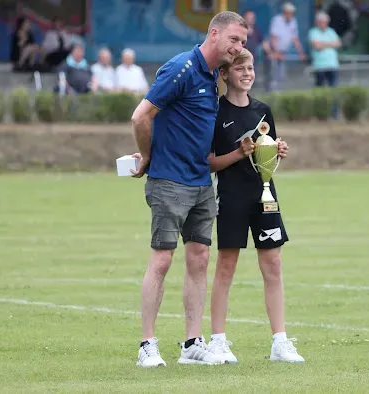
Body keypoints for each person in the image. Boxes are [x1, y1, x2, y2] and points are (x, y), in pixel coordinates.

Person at [129, 11, 248, 367]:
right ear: (214, 34)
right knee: (162, 259)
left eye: (243, 42)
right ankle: (147, 345)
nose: (239, 48)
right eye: (234, 40)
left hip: (200, 183)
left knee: (199, 259)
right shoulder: (181, 68)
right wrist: (148, 157)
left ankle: (192, 344)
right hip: (168, 181)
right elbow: (141, 115)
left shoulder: (213, 77)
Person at [207, 47, 305, 364]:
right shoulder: (215, 113)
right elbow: (209, 163)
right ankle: (218, 341)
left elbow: (267, 156)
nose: (247, 73)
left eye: (250, 68)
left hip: (265, 196)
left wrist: (278, 151)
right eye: (240, 69)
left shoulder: (263, 110)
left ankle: (280, 342)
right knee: (226, 266)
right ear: (223, 74)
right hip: (231, 197)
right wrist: (238, 153)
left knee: (273, 265)